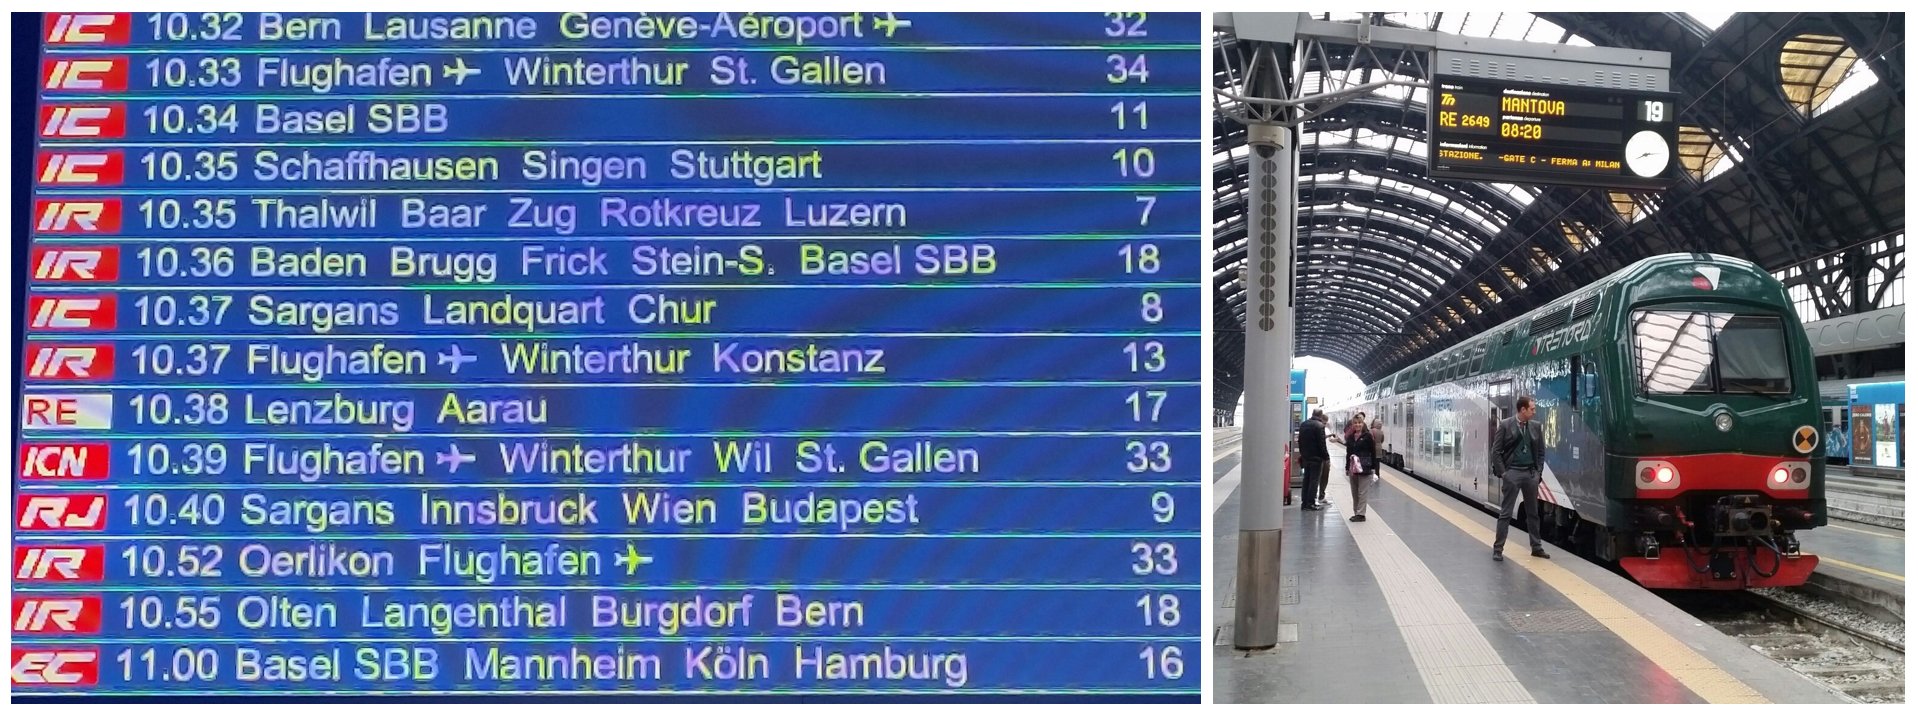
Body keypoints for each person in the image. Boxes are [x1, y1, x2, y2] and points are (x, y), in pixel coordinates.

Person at [1491, 396, 1551, 561]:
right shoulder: (1505, 425)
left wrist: (1538, 472)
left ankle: (1536, 547)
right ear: (1522, 410)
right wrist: (1505, 474)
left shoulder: (1536, 427)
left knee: (1533, 513)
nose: (1534, 411)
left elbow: (1540, 452)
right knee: (1506, 513)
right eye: (1532, 409)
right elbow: (1495, 452)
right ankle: (1498, 549)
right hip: (1513, 473)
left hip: (1530, 474)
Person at [1344, 414, 1380, 522]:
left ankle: (1361, 514)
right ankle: (1356, 512)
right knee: (1354, 492)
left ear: (1363, 423)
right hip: (1353, 468)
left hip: (1365, 467)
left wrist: (1373, 467)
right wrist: (1346, 467)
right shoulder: (1350, 437)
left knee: (1362, 492)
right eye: (1355, 423)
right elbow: (1348, 453)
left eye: (1359, 422)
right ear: (1352, 424)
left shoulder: (1368, 436)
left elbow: (1373, 452)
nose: (1357, 425)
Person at [1296, 411, 1331, 510]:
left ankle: (1304, 503)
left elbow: (1300, 441)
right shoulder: (1319, 426)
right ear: (1320, 416)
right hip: (1316, 458)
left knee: (1306, 479)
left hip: (1306, 457)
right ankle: (1311, 503)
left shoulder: (1303, 424)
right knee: (1314, 480)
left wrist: (1302, 455)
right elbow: (1322, 444)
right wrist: (1326, 457)